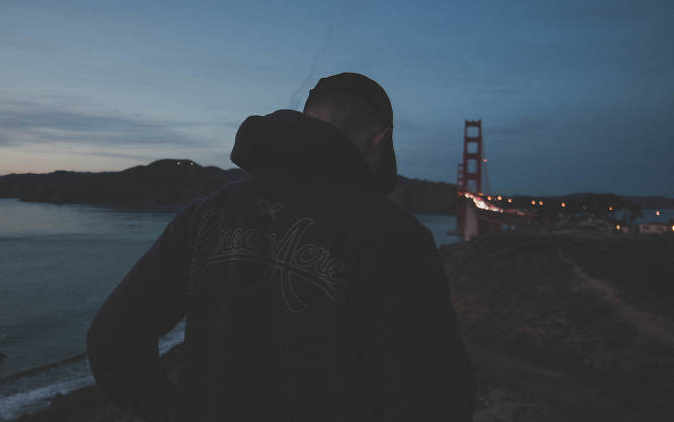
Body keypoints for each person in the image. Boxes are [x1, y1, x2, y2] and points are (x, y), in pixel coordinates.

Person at [86, 72, 476, 421]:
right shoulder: (395, 236)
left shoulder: (205, 214)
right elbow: (436, 398)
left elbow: (111, 337)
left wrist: (172, 413)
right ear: (380, 140)